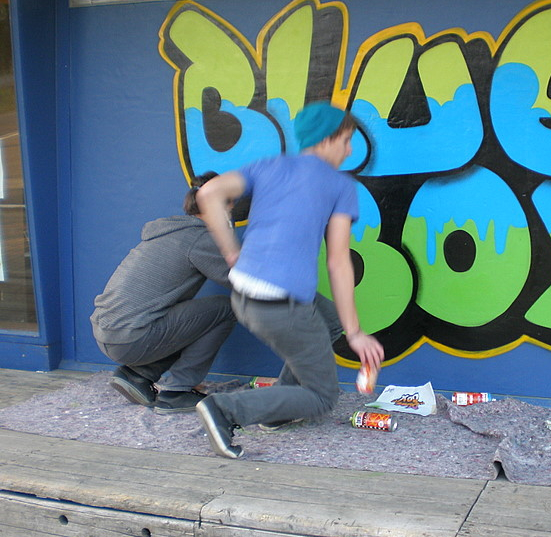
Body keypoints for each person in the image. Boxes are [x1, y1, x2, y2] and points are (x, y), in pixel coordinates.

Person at [194, 101, 384, 459]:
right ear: (328, 139)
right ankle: (225, 410)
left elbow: (208, 193)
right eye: (346, 140)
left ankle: (278, 409)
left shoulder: (269, 166)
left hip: (244, 296)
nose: (350, 150)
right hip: (281, 306)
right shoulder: (340, 185)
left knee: (328, 320)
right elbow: (338, 262)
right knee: (322, 395)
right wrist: (357, 333)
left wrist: (232, 252)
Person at [90, 172, 237, 414]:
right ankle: (177, 391)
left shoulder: (170, 232)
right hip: (132, 337)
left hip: (109, 332)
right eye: (231, 206)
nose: (232, 213)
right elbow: (243, 282)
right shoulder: (201, 238)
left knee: (188, 318)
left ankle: (138, 375)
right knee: (227, 308)